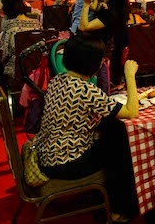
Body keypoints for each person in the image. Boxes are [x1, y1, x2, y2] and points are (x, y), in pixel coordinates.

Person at [34, 37, 140, 222]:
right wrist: (129, 76)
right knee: (121, 149)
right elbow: (131, 112)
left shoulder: (58, 80)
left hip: (47, 156)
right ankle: (117, 209)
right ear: (92, 63)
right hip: (65, 163)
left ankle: (106, 201)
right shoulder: (85, 90)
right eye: (101, 60)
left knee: (114, 135)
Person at [79, 0, 129, 89]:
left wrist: (86, 4)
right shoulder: (112, 10)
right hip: (108, 57)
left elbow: (83, 26)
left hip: (102, 59)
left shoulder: (110, 14)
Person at [0, 0, 43, 78]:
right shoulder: (37, 23)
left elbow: (5, 53)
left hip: (16, 71)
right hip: (35, 70)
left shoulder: (9, 25)